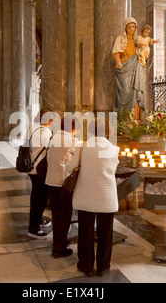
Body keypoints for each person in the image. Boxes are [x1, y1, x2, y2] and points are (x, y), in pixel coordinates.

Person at [68, 118, 119, 277]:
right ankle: (103, 266)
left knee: (86, 232)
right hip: (106, 196)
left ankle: (86, 266)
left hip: (86, 196)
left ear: (90, 130)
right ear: (107, 131)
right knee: (106, 232)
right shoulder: (114, 148)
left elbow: (70, 167)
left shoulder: (82, 147)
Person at [45, 116, 80, 258]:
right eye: (77, 128)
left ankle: (57, 241)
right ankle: (59, 249)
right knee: (65, 215)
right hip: (63, 182)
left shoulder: (54, 138)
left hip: (50, 180)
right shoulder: (73, 141)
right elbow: (74, 163)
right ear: (72, 128)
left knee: (56, 213)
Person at [27, 108, 54, 239]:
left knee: (36, 196)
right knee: (40, 198)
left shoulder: (33, 128)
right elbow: (50, 148)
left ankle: (38, 220)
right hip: (40, 169)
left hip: (31, 167)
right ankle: (33, 228)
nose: (53, 121)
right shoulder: (45, 131)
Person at [112, 17, 145, 120]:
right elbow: (116, 53)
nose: (131, 29)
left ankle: (135, 118)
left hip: (136, 67)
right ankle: (123, 118)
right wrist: (118, 63)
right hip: (124, 67)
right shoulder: (120, 39)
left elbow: (143, 52)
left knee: (137, 90)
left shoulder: (137, 40)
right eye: (129, 27)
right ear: (125, 28)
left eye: (133, 27)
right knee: (125, 91)